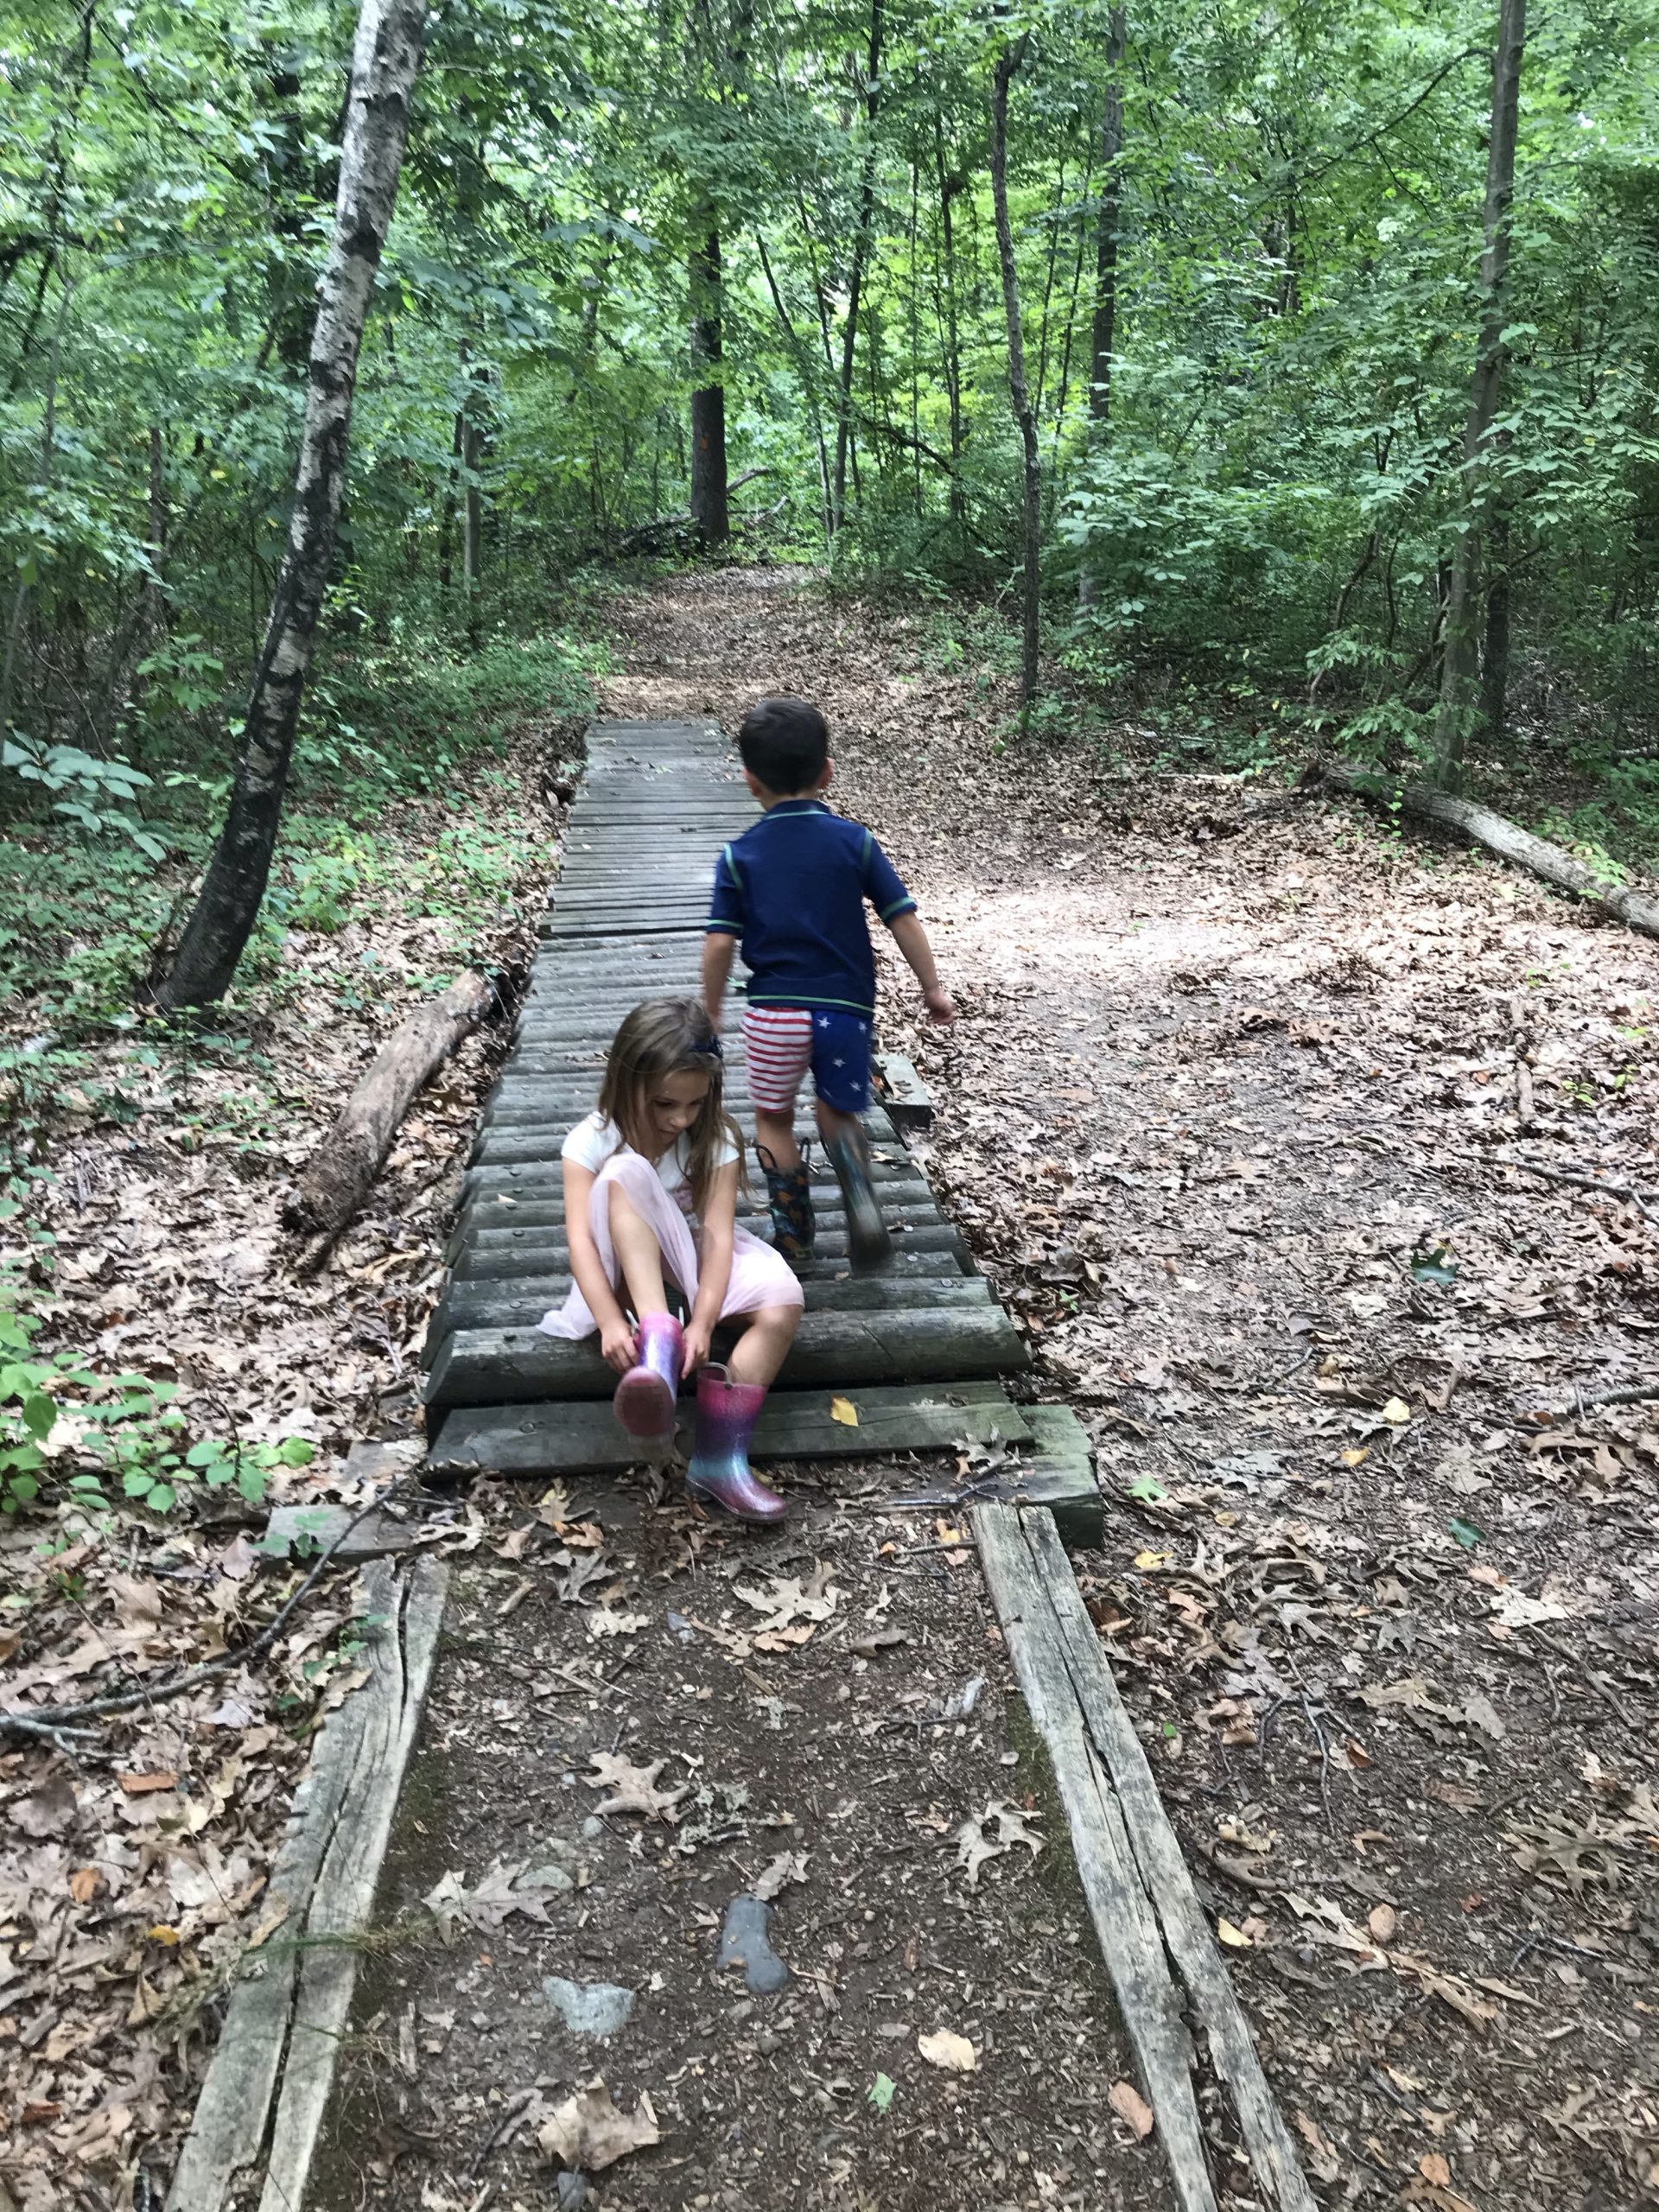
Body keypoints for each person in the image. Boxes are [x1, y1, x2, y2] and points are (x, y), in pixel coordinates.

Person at [701, 695, 956, 1271]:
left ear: (749, 781)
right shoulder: (855, 842)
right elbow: (902, 916)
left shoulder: (739, 857)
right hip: (844, 1011)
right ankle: (858, 1190)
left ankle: (793, 1233)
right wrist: (932, 988)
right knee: (838, 1111)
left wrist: (711, 1010)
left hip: (773, 1013)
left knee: (773, 1118)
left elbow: (720, 942)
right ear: (827, 772)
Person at [537, 997, 804, 1522]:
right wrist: (612, 1322)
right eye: (664, 1105)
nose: (681, 1119)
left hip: (680, 1250)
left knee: (783, 1300)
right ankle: (657, 1345)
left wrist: (704, 1321)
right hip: (616, 1268)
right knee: (624, 1175)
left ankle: (720, 1458)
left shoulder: (716, 1137)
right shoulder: (591, 1141)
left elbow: (721, 1237)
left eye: (695, 1104)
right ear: (625, 1082)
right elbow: (581, 1243)